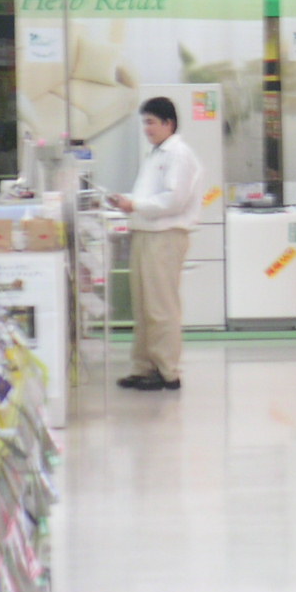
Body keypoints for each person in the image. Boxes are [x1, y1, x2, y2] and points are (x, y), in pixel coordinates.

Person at [108, 97, 202, 392]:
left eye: (151, 122)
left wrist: (134, 205)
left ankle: (167, 371)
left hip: (165, 236)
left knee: (161, 307)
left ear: (168, 123)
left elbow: (174, 200)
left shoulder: (179, 155)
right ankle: (144, 367)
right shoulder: (156, 154)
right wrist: (127, 202)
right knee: (143, 306)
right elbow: (151, 196)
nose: (146, 129)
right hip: (146, 233)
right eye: (144, 122)